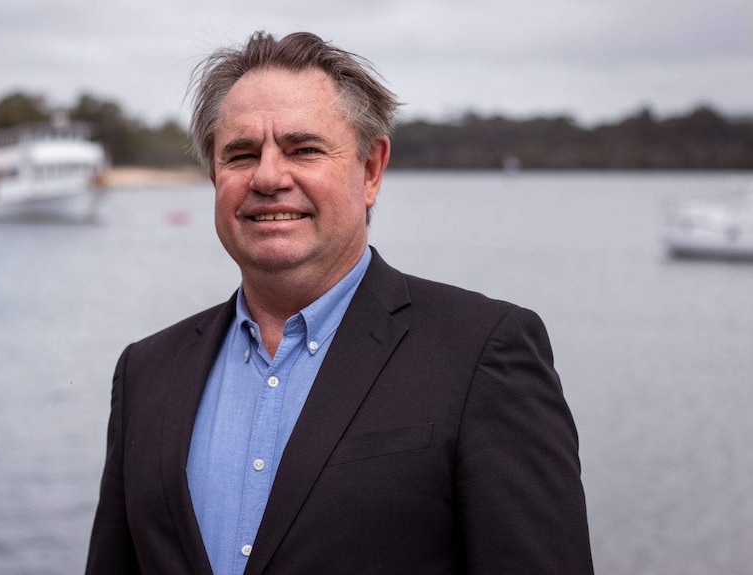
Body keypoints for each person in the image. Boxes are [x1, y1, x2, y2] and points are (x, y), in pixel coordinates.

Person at [86, 31, 594, 575]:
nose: (268, 176)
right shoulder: (146, 372)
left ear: (371, 169)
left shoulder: (481, 353)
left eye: (303, 149)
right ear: (215, 175)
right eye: (240, 154)